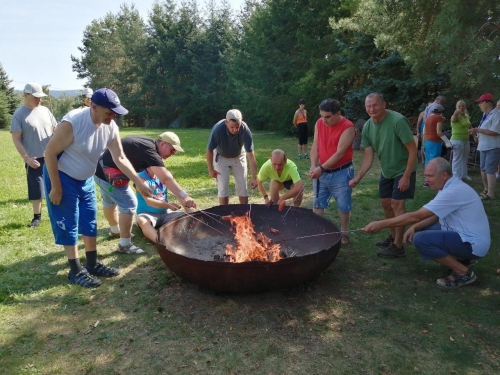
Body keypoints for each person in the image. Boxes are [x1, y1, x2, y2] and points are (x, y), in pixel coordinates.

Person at [43, 88, 153, 288]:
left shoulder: (110, 127)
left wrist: (137, 180)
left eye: (115, 113)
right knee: (69, 222)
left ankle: (92, 263)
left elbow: (119, 157)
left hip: (85, 178)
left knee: (89, 219)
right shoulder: (73, 123)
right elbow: (49, 153)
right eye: (108, 113)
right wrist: (56, 187)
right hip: (62, 176)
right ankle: (75, 270)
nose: (112, 117)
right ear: (93, 106)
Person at [364, 158, 490, 288]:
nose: (426, 180)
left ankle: (463, 272)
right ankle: (463, 260)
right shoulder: (450, 186)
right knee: (422, 230)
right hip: (464, 234)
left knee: (421, 239)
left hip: (473, 243)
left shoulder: (453, 191)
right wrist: (414, 227)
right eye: (426, 176)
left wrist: (381, 224)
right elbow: (434, 216)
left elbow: (417, 216)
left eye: (430, 176)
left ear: (444, 175)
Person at [94, 131, 197, 254]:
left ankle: (115, 230)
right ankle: (125, 245)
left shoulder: (147, 145)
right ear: (163, 144)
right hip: (107, 173)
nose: (173, 154)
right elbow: (166, 179)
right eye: (172, 150)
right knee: (129, 205)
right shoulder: (150, 151)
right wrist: (184, 196)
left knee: (109, 202)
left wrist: (183, 201)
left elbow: (164, 180)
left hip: (102, 169)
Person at [349, 92, 417, 257]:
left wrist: (407, 175)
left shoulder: (397, 121)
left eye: (375, 105)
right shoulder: (367, 127)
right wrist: (358, 177)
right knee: (386, 203)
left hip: (403, 169)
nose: (372, 109)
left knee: (397, 205)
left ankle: (398, 247)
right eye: (368, 106)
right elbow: (368, 156)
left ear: (384, 104)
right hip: (387, 170)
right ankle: (393, 237)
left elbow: (413, 149)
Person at [10, 82, 57, 227]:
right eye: (36, 97)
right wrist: (27, 158)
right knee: (36, 187)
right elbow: (16, 139)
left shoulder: (45, 111)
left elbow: (55, 129)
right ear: (26, 95)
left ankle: (57, 213)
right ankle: (37, 217)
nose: (39, 99)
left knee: (56, 184)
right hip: (34, 159)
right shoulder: (19, 114)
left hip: (52, 155)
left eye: (40, 97)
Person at [309, 98, 355, 245]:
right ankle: (317, 231)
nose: (324, 120)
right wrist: (312, 165)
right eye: (321, 116)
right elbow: (315, 146)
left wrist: (321, 168)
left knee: (343, 204)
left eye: (327, 116)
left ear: (338, 114)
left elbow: (340, 153)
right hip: (322, 171)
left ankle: (344, 232)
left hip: (342, 172)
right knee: (318, 203)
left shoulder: (348, 127)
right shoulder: (319, 123)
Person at [206, 109, 258, 205]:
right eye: (232, 127)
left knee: (242, 186)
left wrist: (254, 177)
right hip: (221, 156)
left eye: (237, 127)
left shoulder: (245, 130)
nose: (235, 130)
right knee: (223, 187)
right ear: (226, 122)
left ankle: (244, 214)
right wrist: (210, 168)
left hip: (239, 156)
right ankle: (225, 214)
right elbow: (209, 150)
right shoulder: (218, 130)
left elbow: (251, 155)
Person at [134, 167, 185, 243]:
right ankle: (160, 242)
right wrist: (168, 205)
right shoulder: (141, 179)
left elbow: (176, 191)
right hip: (147, 213)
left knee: (185, 217)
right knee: (142, 221)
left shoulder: (164, 175)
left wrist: (186, 203)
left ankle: (182, 237)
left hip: (165, 212)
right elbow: (149, 201)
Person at [469, 93, 500, 200]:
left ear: (487, 103)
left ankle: (491, 194)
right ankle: (486, 189)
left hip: (493, 146)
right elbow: (484, 129)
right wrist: (477, 134)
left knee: (490, 170)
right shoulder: (485, 115)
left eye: (481, 103)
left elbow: (495, 132)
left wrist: (478, 130)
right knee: (482, 169)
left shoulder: (497, 114)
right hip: (483, 146)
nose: (479, 105)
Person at [423, 105, 450, 178]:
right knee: (434, 162)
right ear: (440, 112)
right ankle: (432, 179)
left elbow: (425, 131)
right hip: (435, 142)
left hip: (427, 141)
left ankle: (427, 179)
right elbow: (439, 132)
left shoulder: (428, 118)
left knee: (428, 161)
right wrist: (447, 142)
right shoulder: (438, 118)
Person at [450, 100, 472, 181]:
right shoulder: (455, 116)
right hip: (457, 140)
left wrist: (474, 135)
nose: (461, 108)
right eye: (459, 106)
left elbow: (469, 125)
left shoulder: (466, 116)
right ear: (456, 107)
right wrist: (456, 113)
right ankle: (456, 176)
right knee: (457, 158)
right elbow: (454, 119)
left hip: (466, 139)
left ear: (465, 107)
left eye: (463, 106)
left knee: (465, 158)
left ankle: (464, 175)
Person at [415, 102, 432, 166]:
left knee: (429, 145)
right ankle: (423, 160)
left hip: (430, 131)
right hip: (423, 131)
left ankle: (429, 159)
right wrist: (418, 132)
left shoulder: (433, 114)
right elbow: (418, 123)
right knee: (423, 145)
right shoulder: (423, 113)